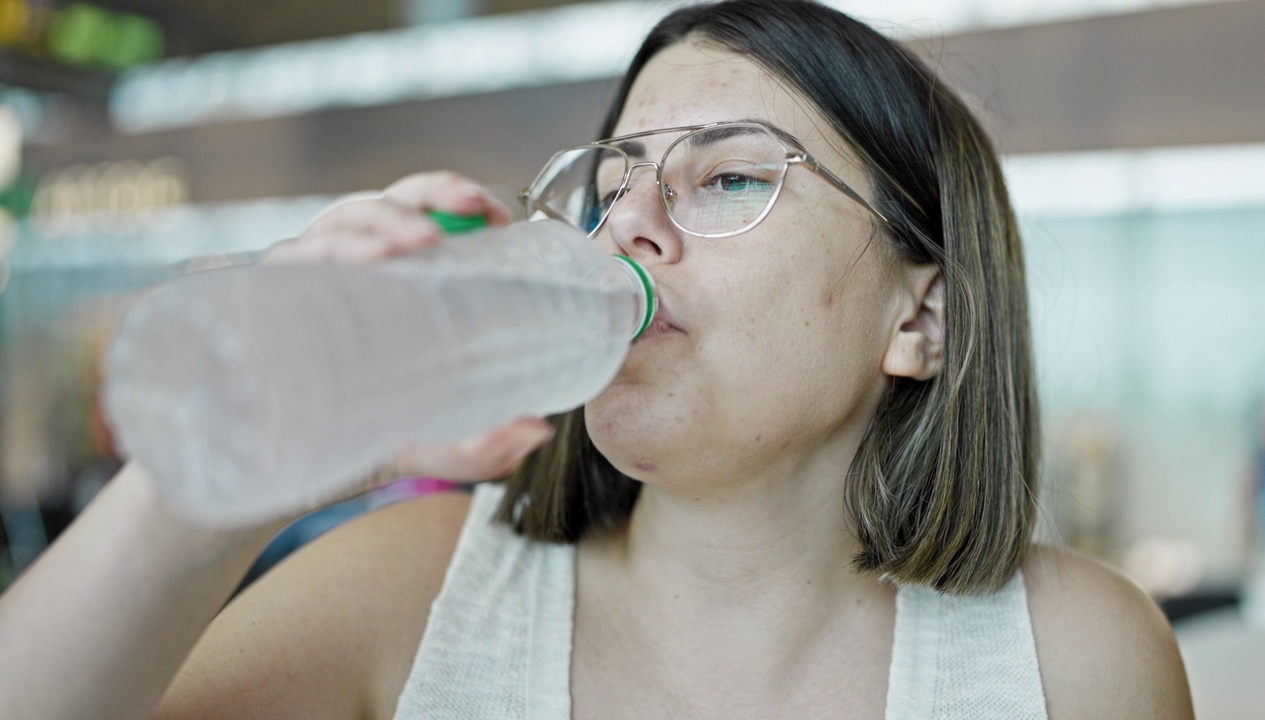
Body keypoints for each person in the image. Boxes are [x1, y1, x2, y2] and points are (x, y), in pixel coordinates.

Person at [0, 1, 1194, 718]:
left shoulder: (1070, 658)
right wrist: (212, 483)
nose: (625, 223)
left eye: (726, 175)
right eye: (610, 185)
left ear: (918, 319)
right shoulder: (410, 597)